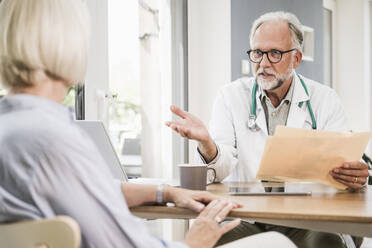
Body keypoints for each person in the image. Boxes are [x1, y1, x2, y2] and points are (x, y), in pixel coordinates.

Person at [0, 1, 302, 248]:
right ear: (68, 47)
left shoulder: (14, 129)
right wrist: (194, 242)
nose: (264, 60)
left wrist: (165, 193)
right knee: (276, 243)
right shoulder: (53, 141)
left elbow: (90, 190)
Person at [166, 11, 369, 248]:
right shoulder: (231, 97)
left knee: (327, 243)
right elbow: (220, 169)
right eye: (257, 53)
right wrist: (207, 143)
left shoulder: (324, 99)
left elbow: (343, 164)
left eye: (274, 53)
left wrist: (352, 175)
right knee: (212, 242)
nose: (263, 63)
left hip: (308, 217)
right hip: (247, 215)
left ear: (296, 58)